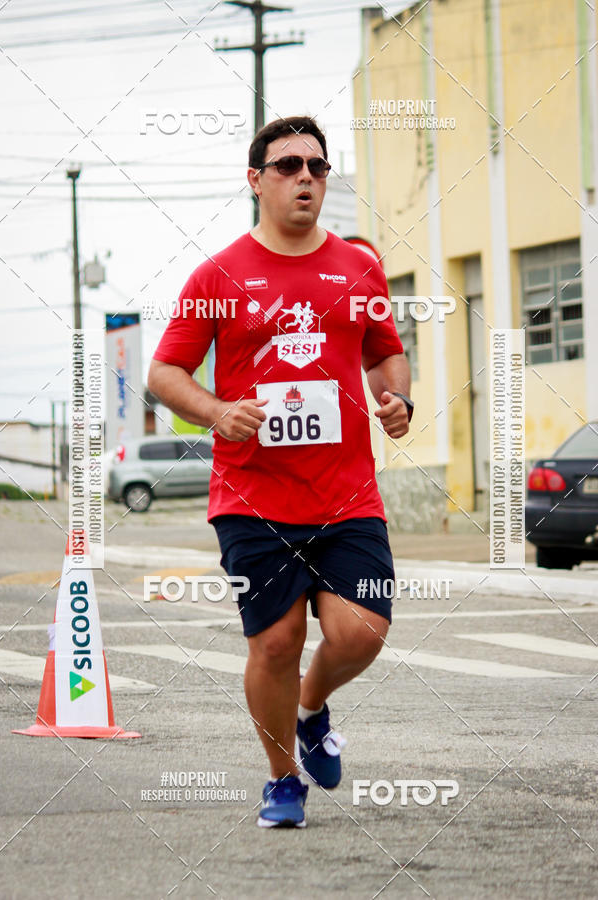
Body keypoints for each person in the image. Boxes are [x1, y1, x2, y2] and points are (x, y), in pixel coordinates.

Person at [148, 115, 413, 829]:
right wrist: (216, 411)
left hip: (347, 493)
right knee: (274, 641)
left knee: (362, 630)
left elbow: (385, 351)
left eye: (317, 167)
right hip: (252, 496)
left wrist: (397, 398)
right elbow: (165, 372)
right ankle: (282, 780)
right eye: (289, 166)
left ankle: (311, 706)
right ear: (255, 180)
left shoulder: (358, 268)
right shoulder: (219, 274)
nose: (305, 178)